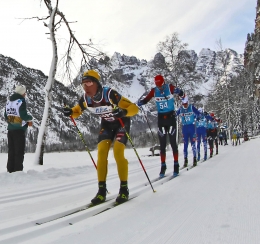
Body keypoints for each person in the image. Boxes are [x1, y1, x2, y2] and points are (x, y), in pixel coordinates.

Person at [63, 70, 138, 205]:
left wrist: (123, 112)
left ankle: (124, 189)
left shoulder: (109, 94)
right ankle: (101, 191)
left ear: (97, 83)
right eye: (83, 84)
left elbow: (134, 108)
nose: (86, 86)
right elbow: (76, 111)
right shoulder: (86, 99)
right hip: (107, 125)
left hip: (121, 122)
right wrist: (70, 112)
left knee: (118, 152)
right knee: (101, 153)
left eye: (89, 82)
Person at [137, 75, 184, 177]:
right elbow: (146, 99)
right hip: (161, 119)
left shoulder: (169, 87)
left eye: (161, 85)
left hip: (171, 118)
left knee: (173, 143)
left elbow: (182, 94)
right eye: (158, 86)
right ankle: (163, 166)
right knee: (162, 145)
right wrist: (141, 102)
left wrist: (179, 92)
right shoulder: (154, 91)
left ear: (163, 83)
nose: (160, 88)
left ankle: (176, 165)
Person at [4, 84, 33, 173]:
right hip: (19, 130)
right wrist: (30, 118)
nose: (25, 94)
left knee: (11, 151)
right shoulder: (21, 101)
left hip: (10, 130)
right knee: (19, 151)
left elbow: (6, 115)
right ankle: (18, 171)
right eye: (25, 92)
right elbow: (23, 115)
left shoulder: (9, 102)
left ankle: (10, 170)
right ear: (22, 93)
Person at [176, 96, 198, 168]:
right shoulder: (181, 109)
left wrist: (198, 116)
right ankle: (185, 160)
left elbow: (198, 113)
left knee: (193, 144)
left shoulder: (191, 107)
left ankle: (195, 158)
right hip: (185, 128)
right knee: (185, 145)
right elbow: (175, 114)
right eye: (183, 104)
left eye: (186, 104)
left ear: (187, 103)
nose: (185, 105)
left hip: (191, 127)